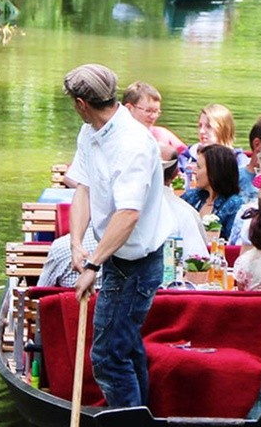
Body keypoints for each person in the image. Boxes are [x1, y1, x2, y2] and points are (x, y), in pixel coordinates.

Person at [62, 63, 173, 409]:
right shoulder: (90, 132)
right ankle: (142, 423)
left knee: (109, 356)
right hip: (114, 257)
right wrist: (77, 243)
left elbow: (128, 215)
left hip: (140, 263)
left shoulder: (133, 144)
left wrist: (94, 263)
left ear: (82, 103)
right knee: (125, 345)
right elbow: (83, 187)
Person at [37, 143, 208, 287]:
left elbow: (40, 300)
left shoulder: (61, 249)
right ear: (174, 175)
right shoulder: (185, 215)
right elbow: (199, 272)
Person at [180, 143, 244, 240]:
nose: (194, 171)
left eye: (199, 167)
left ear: (214, 171)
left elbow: (232, 241)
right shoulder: (191, 196)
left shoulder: (234, 204)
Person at [178, 103, 248, 176]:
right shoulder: (187, 157)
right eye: (200, 125)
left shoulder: (239, 161)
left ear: (224, 129)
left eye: (209, 126)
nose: (201, 131)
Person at [122, 81, 187, 154]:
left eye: (156, 112)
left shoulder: (161, 135)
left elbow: (190, 156)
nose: (153, 116)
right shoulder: (114, 136)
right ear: (128, 108)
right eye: (148, 111)